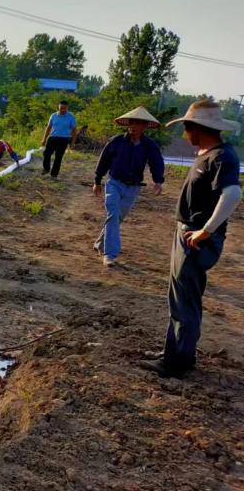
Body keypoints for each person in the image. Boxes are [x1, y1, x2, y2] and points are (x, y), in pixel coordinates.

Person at [141, 99, 241, 378]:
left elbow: (232, 194)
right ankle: (176, 352)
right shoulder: (206, 153)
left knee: (185, 300)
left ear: (198, 127)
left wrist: (206, 230)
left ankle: (177, 362)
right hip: (187, 234)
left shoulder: (222, 157)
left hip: (197, 240)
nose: (184, 133)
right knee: (180, 298)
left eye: (186, 127)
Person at [92, 106, 165, 268]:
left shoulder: (149, 146)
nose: (133, 127)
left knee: (117, 218)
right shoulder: (117, 141)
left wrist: (158, 181)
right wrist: (97, 180)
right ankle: (109, 254)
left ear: (145, 126)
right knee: (113, 213)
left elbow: (156, 163)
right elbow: (103, 161)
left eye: (138, 124)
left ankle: (100, 243)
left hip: (133, 188)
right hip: (114, 183)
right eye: (132, 123)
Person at [40, 99, 78, 178]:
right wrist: (44, 139)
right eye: (61, 108)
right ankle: (46, 169)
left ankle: (54, 174)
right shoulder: (53, 115)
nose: (63, 110)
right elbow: (49, 127)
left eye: (65, 108)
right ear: (58, 107)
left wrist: (72, 143)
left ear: (67, 108)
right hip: (53, 137)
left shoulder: (71, 117)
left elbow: (74, 131)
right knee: (46, 153)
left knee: (58, 157)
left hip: (64, 139)